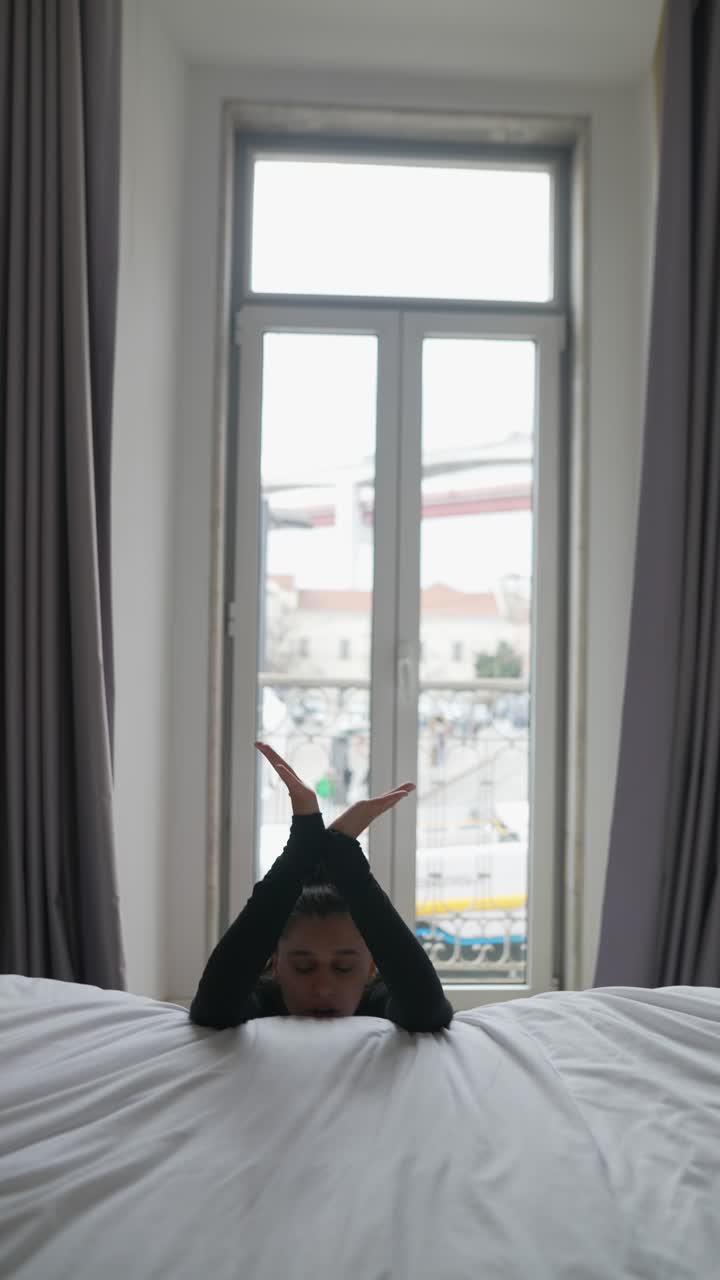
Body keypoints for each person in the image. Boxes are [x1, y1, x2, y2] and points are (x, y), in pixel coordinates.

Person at [189, 741, 453, 1033]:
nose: (323, 989)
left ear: (371, 969)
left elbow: (429, 1013)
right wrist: (300, 849)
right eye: (303, 967)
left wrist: (346, 859)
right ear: (274, 963)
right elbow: (212, 1010)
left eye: (344, 968)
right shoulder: (265, 997)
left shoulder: (375, 1000)